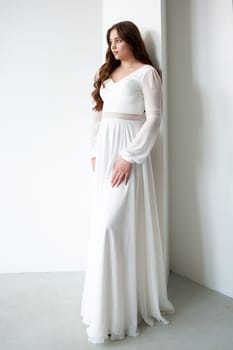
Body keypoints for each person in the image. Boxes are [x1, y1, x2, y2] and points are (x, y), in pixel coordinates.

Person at [80, 20, 175, 344]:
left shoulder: (147, 73)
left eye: (119, 40)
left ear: (132, 40)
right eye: (111, 41)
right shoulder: (107, 73)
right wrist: (94, 151)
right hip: (105, 152)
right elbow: (97, 113)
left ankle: (123, 309)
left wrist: (130, 156)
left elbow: (154, 118)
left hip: (129, 152)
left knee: (112, 226)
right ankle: (105, 309)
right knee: (103, 227)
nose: (114, 46)